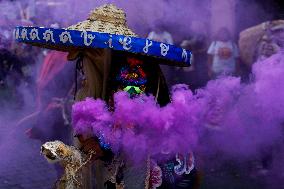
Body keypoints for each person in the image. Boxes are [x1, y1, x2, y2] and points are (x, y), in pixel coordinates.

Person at [15, 4, 198, 189]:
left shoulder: (132, 70)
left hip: (151, 161)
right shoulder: (106, 65)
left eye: (84, 49)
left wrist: (101, 143)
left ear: (98, 50)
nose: (74, 56)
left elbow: (133, 119)